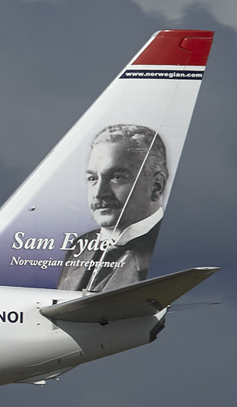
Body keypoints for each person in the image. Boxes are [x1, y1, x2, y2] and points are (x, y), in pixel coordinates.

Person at [57, 124, 168, 292]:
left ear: (156, 186)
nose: (99, 193)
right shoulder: (81, 245)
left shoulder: (163, 251)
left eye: (117, 177)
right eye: (93, 178)